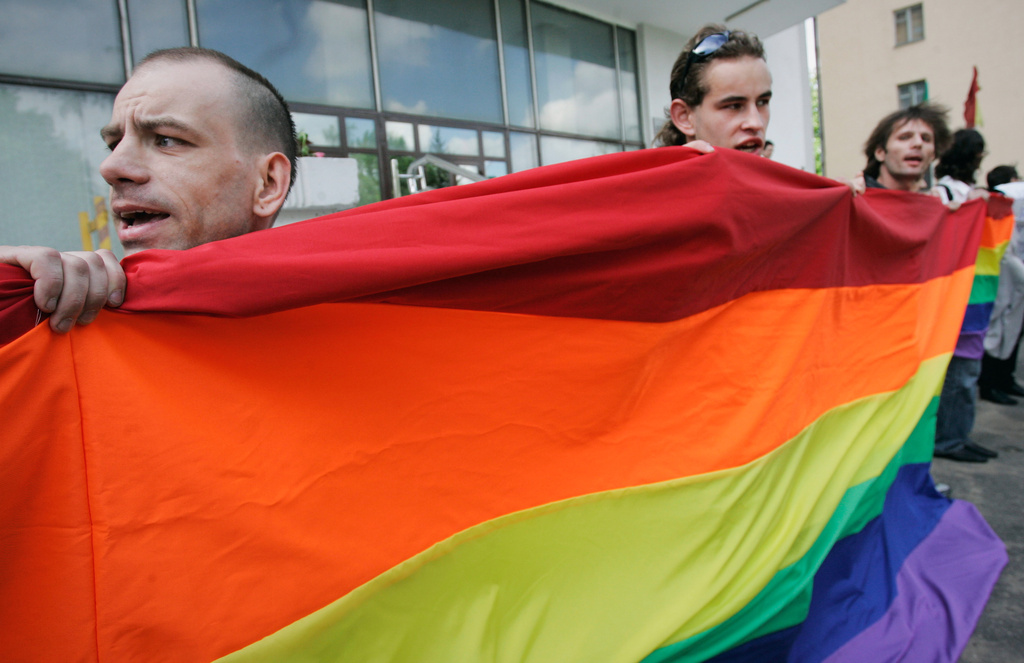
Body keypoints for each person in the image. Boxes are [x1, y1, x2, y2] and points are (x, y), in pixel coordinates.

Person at [0, 47, 296, 335]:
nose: (110, 167)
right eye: (114, 144)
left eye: (166, 140)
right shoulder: (53, 324)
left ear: (267, 184)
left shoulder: (335, 330)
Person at [929, 128, 999, 462]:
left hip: (976, 293)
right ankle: (949, 438)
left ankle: (959, 432)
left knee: (970, 368)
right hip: (957, 296)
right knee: (960, 370)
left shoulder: (968, 191)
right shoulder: (943, 191)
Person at [654, 25, 771, 154]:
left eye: (762, 102)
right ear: (684, 117)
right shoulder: (653, 173)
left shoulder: (779, 173)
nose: (756, 123)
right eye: (734, 106)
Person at [979, 164, 1024, 404]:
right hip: (1003, 271)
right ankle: (990, 384)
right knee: (995, 327)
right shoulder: (1007, 198)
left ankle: (1004, 379)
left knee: (1012, 329)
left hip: (1013, 273)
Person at [860, 102, 951, 193]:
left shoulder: (937, 205)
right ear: (880, 152)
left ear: (932, 155)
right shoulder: (854, 202)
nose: (918, 143)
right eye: (905, 137)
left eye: (926, 139)